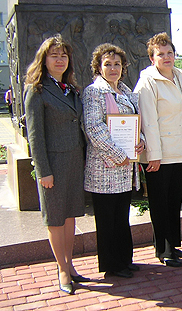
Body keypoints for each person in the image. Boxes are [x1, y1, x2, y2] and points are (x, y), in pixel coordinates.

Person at [24, 35, 86, 294]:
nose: (60, 60)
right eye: (54, 55)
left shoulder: (69, 87)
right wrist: (43, 171)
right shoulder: (37, 90)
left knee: (70, 215)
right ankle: (61, 269)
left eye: (63, 55)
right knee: (55, 218)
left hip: (74, 161)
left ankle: (70, 264)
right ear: (44, 59)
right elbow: (35, 135)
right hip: (53, 165)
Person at [83, 43, 145, 278]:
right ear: (98, 67)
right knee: (108, 218)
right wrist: (120, 154)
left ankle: (124, 259)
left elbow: (136, 121)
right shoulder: (93, 92)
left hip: (125, 168)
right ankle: (111, 265)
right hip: (105, 168)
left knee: (121, 216)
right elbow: (94, 127)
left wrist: (140, 141)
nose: (113, 68)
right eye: (107, 64)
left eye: (117, 64)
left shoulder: (126, 91)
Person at [134, 32, 182, 267]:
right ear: (152, 58)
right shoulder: (147, 81)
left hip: (178, 151)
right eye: (161, 54)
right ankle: (163, 250)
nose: (166, 57)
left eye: (170, 53)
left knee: (174, 201)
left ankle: (173, 245)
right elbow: (148, 121)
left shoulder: (180, 76)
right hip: (159, 155)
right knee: (160, 204)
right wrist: (153, 156)